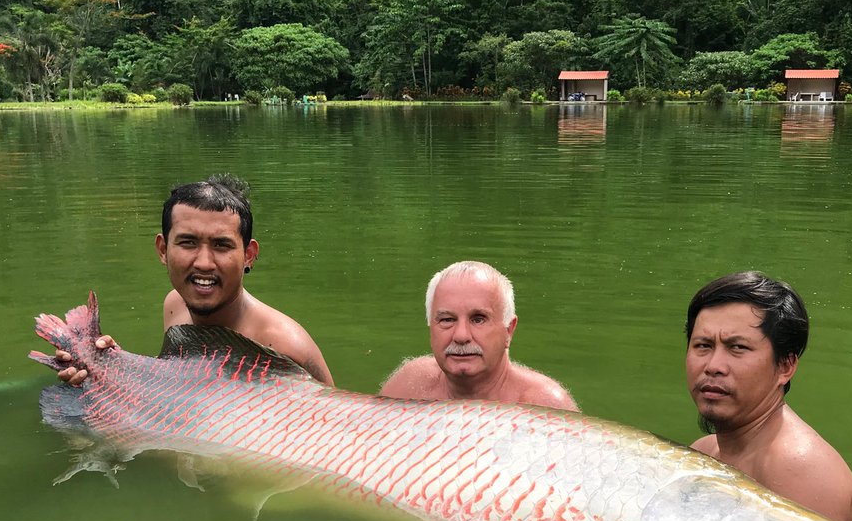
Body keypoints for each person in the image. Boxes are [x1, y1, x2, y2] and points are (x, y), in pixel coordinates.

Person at [617, 271, 852, 521]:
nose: (713, 365)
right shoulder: (706, 451)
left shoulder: (800, 468)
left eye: (737, 348)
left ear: (785, 366)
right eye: (703, 345)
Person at [57, 176, 332, 385]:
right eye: (188, 243)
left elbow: (331, 432)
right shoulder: (175, 304)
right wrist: (109, 368)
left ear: (249, 255)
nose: (203, 262)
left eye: (222, 245)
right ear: (163, 250)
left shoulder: (284, 345)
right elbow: (181, 384)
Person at [379, 260, 578, 411]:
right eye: (447, 319)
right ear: (431, 327)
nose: (461, 336)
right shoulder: (409, 387)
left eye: (478, 319)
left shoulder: (543, 407)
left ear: (509, 329)